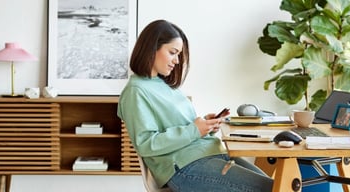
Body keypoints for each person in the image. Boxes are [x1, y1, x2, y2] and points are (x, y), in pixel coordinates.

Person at [117, 20, 273, 192]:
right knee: (273, 188)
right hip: (185, 167)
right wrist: (195, 130)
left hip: (209, 153)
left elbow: (183, 128)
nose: (177, 61)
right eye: (172, 52)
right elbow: (146, 144)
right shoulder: (136, 91)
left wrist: (205, 125)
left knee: (280, 186)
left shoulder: (164, 85)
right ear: (152, 48)